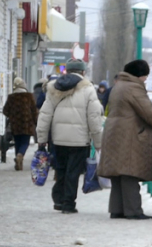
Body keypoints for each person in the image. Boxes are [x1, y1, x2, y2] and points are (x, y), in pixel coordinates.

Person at [35, 60, 103, 214]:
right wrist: (98, 141)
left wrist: (42, 139)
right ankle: (68, 204)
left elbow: (45, 115)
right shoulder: (88, 89)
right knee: (73, 173)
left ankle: (58, 199)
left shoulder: (53, 87)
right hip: (79, 140)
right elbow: (94, 117)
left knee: (61, 170)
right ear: (83, 72)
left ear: (67, 70)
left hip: (58, 139)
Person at [98, 59, 152, 220]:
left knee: (118, 174)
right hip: (130, 135)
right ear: (138, 75)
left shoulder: (119, 86)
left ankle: (117, 209)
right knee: (129, 173)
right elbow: (149, 114)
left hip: (115, 133)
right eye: (145, 75)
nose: (146, 79)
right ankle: (133, 210)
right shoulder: (134, 88)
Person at [3, 77, 39, 171]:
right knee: (25, 142)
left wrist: (12, 116)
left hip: (15, 124)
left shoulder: (11, 97)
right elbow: (34, 111)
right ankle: (20, 156)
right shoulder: (29, 96)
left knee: (17, 142)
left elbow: (5, 111)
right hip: (27, 124)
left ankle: (19, 163)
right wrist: (36, 122)